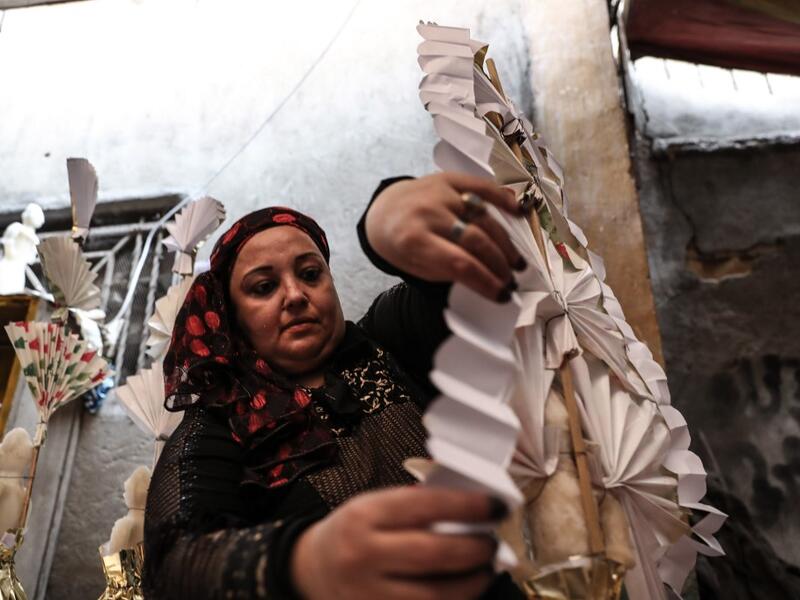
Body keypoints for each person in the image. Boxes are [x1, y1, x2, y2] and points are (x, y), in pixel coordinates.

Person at [143, 173, 530, 599]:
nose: (294, 295)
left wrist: (383, 218)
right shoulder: (218, 429)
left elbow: (460, 291)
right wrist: (303, 560)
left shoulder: (387, 340)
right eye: (264, 287)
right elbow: (174, 565)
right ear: (233, 320)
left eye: (311, 274)